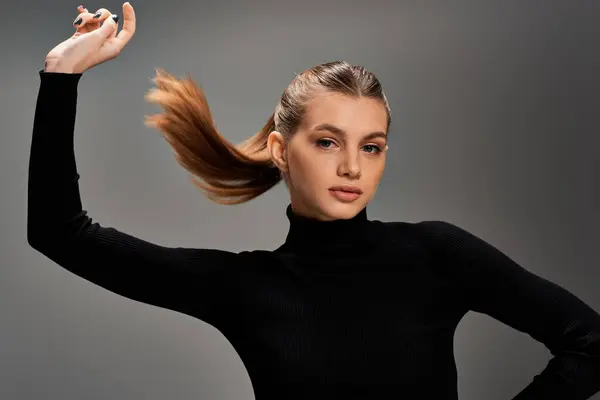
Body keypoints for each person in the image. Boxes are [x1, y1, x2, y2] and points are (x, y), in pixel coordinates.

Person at [27, 3, 600, 399]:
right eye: (328, 142)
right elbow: (58, 232)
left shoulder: (436, 253)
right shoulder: (245, 288)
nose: (352, 166)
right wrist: (61, 74)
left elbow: (590, 343)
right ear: (281, 149)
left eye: (372, 147)